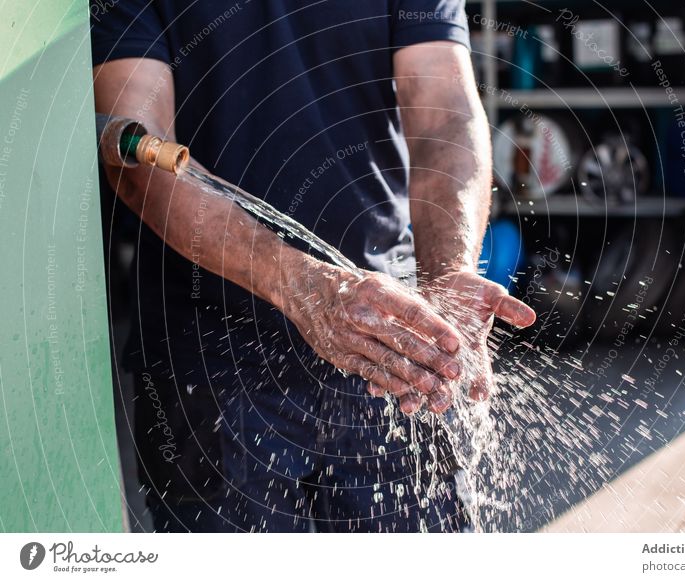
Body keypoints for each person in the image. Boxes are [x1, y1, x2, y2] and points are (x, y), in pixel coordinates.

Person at [91, 0, 536, 533]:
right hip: (214, 370)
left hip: (388, 348)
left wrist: (450, 271)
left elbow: (443, 109)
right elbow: (139, 155)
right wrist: (303, 285)